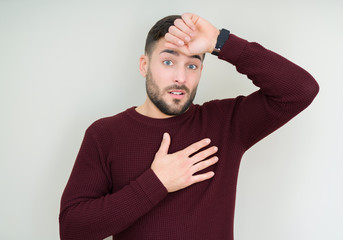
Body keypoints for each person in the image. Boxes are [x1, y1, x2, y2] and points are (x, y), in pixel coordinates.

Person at [59, 13, 319, 240]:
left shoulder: (226, 123)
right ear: (144, 65)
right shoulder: (105, 134)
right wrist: (156, 182)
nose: (180, 78)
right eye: (168, 62)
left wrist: (221, 41)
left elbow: (300, 90)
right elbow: (72, 230)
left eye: (192, 65)